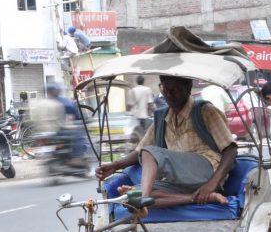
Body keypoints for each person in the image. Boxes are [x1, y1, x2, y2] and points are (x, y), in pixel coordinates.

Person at [96, 75, 237, 209]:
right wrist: (115, 165)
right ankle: (193, 198)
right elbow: (140, 150)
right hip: (183, 181)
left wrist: (212, 184)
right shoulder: (162, 117)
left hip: (207, 171)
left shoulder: (205, 111)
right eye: (165, 88)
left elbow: (230, 150)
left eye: (174, 89)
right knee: (130, 197)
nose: (169, 94)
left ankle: (143, 199)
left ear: (188, 87)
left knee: (149, 158)